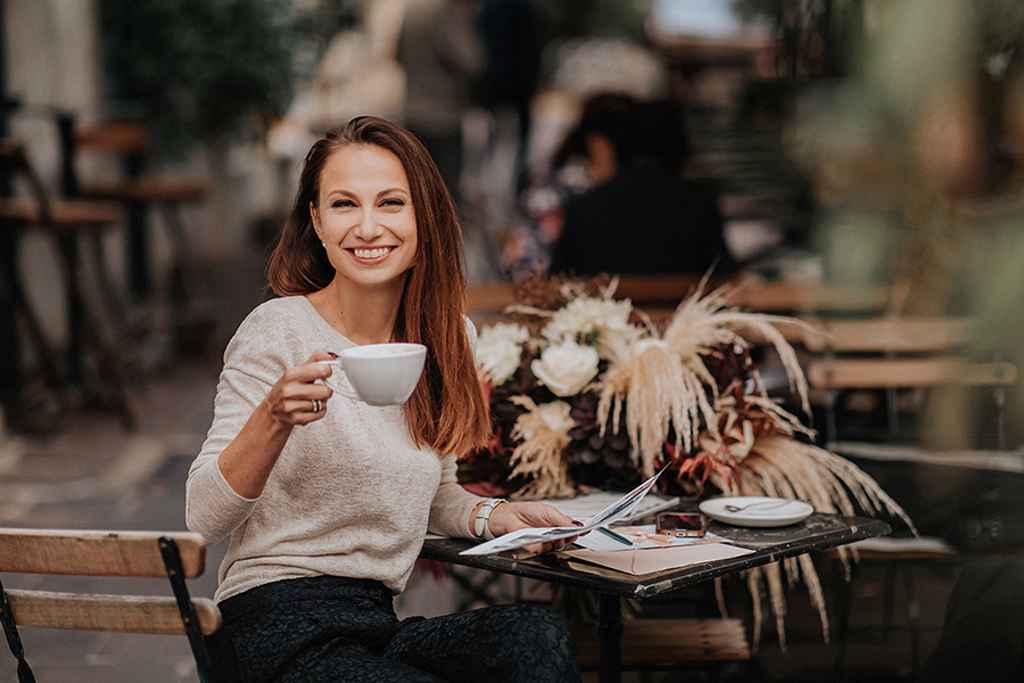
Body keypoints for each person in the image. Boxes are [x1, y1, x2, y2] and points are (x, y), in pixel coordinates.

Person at [186, 116, 581, 682]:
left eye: (391, 203)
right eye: (345, 205)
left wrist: (498, 516)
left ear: (424, 219)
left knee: (533, 637)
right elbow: (201, 517)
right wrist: (273, 418)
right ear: (317, 222)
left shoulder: (448, 338)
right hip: (271, 626)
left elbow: (434, 491)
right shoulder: (276, 331)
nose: (368, 227)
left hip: (372, 621)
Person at [548, 93, 736, 277]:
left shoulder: (583, 209)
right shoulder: (700, 205)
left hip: (604, 307)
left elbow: (558, 281)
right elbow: (724, 277)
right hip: (681, 307)